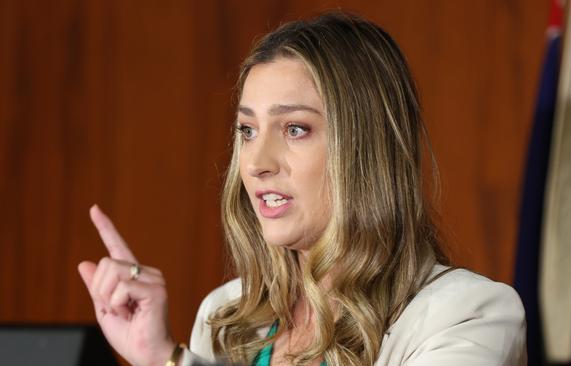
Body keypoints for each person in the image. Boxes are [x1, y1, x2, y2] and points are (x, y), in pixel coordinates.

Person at [78, 12, 526, 366]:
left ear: (364, 148)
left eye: (294, 128)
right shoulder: (225, 318)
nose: (256, 164)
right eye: (248, 130)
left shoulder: (467, 315)